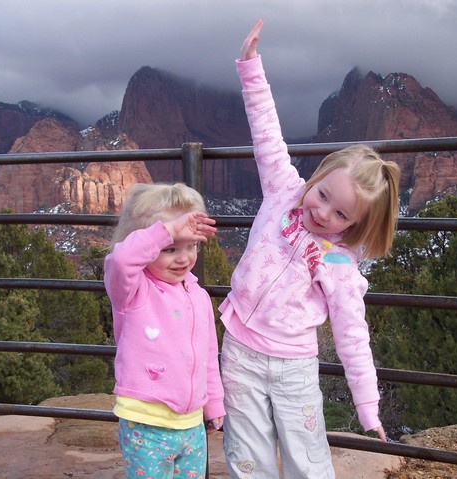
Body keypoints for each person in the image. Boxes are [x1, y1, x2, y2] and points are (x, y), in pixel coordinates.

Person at [219, 20, 400, 478]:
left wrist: (367, 404)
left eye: (342, 215)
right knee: (246, 454)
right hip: (238, 346)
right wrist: (250, 66)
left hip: (293, 365)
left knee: (307, 457)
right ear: (315, 177)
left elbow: (352, 333)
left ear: (356, 225)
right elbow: (267, 134)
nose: (323, 214)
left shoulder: (339, 261)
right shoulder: (283, 190)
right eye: (322, 196)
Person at [104, 182, 225, 479]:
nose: (183, 258)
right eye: (169, 249)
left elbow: (207, 355)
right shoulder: (132, 291)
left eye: (191, 246)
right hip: (146, 424)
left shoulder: (198, 296)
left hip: (191, 424)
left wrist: (213, 403)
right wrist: (167, 230)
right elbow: (121, 260)